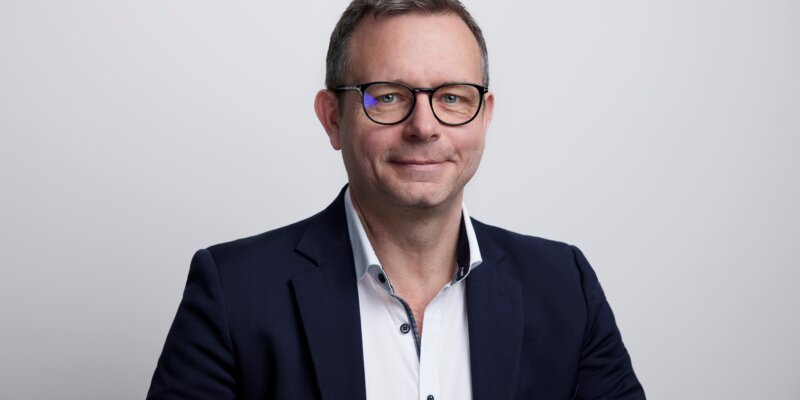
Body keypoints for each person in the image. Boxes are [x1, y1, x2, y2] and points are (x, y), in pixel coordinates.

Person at [147, 1, 645, 399]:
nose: (424, 127)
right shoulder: (234, 294)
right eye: (387, 96)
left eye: (452, 97)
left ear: (485, 116)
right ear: (332, 118)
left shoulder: (565, 286)